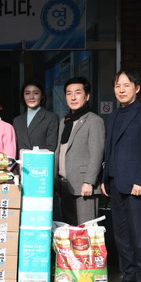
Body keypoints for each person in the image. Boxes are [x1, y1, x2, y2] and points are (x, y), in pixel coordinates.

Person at [100, 70, 141, 282]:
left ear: (137, 88)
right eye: (117, 86)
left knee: (140, 234)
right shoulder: (114, 116)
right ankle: (129, 276)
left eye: (126, 85)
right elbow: (109, 151)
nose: (121, 90)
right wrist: (105, 179)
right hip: (115, 183)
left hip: (136, 185)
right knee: (122, 234)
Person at [56, 77, 105, 225]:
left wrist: (89, 182)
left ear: (87, 96)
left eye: (78, 92)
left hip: (84, 186)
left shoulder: (94, 121)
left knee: (86, 231)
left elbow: (97, 154)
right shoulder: (64, 122)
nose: (73, 97)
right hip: (65, 185)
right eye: (69, 93)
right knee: (69, 231)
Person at [13, 81, 59, 157]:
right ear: (23, 96)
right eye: (27, 93)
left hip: (42, 162)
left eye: (36, 93)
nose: (31, 97)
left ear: (42, 96)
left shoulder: (51, 118)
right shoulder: (17, 121)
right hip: (21, 163)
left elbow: (51, 147)